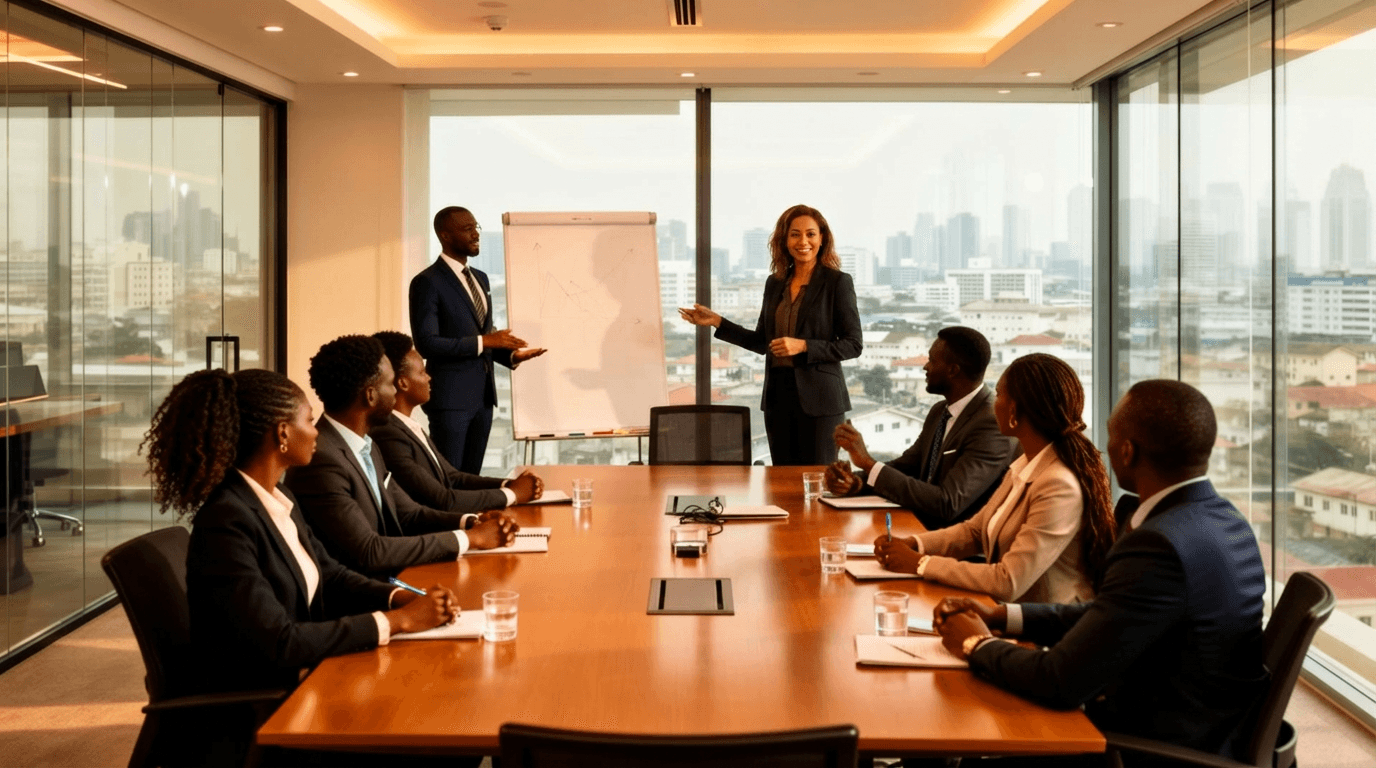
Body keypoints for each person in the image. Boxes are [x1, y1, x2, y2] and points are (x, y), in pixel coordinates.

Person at [933, 380, 1268, 766]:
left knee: (966, 731)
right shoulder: (1226, 521)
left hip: (1144, 746)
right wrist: (1004, 617)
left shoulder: (1158, 546)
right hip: (1207, 730)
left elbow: (1060, 681)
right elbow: (1112, 614)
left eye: (1111, 435)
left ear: (1127, 451)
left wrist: (977, 645)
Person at [144, 369, 459, 763]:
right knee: (437, 736)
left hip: (303, 680)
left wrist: (401, 598)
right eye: (309, 421)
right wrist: (399, 622)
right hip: (267, 708)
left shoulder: (276, 499)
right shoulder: (227, 521)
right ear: (281, 434)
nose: (316, 432)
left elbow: (330, 574)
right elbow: (280, 643)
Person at [873, 353, 1115, 604]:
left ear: (1015, 409)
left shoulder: (1058, 484)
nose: (992, 404)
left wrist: (921, 564)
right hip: (1004, 612)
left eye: (998, 395)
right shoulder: (1025, 463)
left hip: (1043, 630)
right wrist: (914, 543)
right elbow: (976, 531)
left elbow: (1008, 581)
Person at [284, 335, 518, 577]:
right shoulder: (321, 460)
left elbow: (410, 514)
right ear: (370, 395)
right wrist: (471, 539)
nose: (396, 391)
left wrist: (471, 522)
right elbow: (370, 551)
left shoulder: (367, 446)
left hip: (393, 580)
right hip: (361, 597)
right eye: (390, 383)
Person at [678, 204, 862, 465]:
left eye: (810, 234)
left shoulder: (838, 282)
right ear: (784, 240)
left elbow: (853, 344)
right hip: (779, 399)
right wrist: (718, 321)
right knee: (782, 483)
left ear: (822, 239)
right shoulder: (774, 283)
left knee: (818, 482)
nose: (803, 241)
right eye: (795, 234)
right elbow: (762, 342)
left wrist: (804, 346)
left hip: (821, 402)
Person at [826, 326, 1017, 529]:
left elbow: (947, 503)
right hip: (916, 525)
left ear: (953, 370)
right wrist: (856, 481)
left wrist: (868, 464)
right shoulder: (940, 411)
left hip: (956, 545)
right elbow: (908, 467)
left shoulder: (991, 424)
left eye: (932, 361)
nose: (925, 367)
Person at [410, 206, 547, 474]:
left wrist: (510, 356)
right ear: (445, 235)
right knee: (450, 480)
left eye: (476, 228)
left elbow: (483, 335)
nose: (476, 234)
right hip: (450, 400)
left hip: (483, 400)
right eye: (467, 229)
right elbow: (427, 343)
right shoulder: (427, 282)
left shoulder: (481, 279)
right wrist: (486, 341)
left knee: (472, 478)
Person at [371, 330, 545, 512]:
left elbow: (453, 477)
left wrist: (510, 484)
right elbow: (444, 500)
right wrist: (514, 494)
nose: (429, 377)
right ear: (403, 383)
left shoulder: (408, 425)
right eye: (422, 372)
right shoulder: (388, 433)